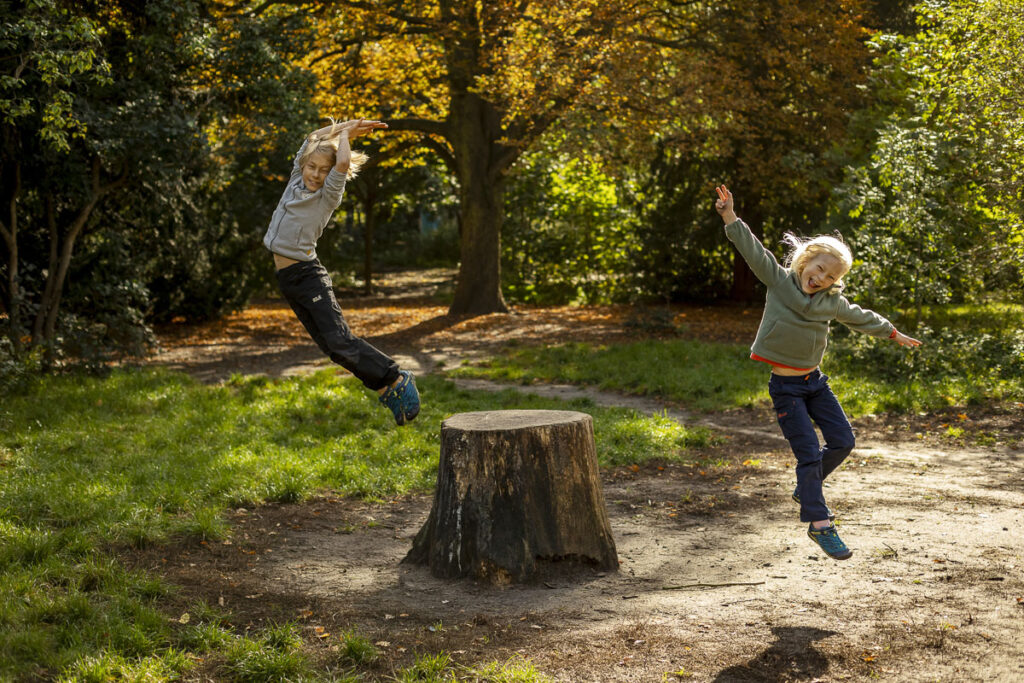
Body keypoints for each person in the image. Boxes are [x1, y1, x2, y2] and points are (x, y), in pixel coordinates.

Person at [713, 184, 920, 560]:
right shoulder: (779, 282)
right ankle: (819, 522)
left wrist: (891, 332)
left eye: (828, 277)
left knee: (843, 441)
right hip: (786, 389)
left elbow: (861, 317)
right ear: (805, 260)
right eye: (818, 269)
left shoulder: (832, 302)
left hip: (815, 383)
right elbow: (753, 252)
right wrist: (729, 216)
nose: (820, 278)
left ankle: (806, 486)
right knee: (809, 453)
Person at [264, 118, 420, 425]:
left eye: (324, 170)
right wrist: (346, 125)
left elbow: (343, 162)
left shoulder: (327, 195)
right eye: (313, 167)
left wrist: (345, 137)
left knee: (339, 340)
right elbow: (311, 136)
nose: (315, 174)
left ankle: (396, 376)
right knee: (332, 349)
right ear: (304, 164)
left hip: (308, 277)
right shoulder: (297, 178)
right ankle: (387, 387)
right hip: (289, 280)